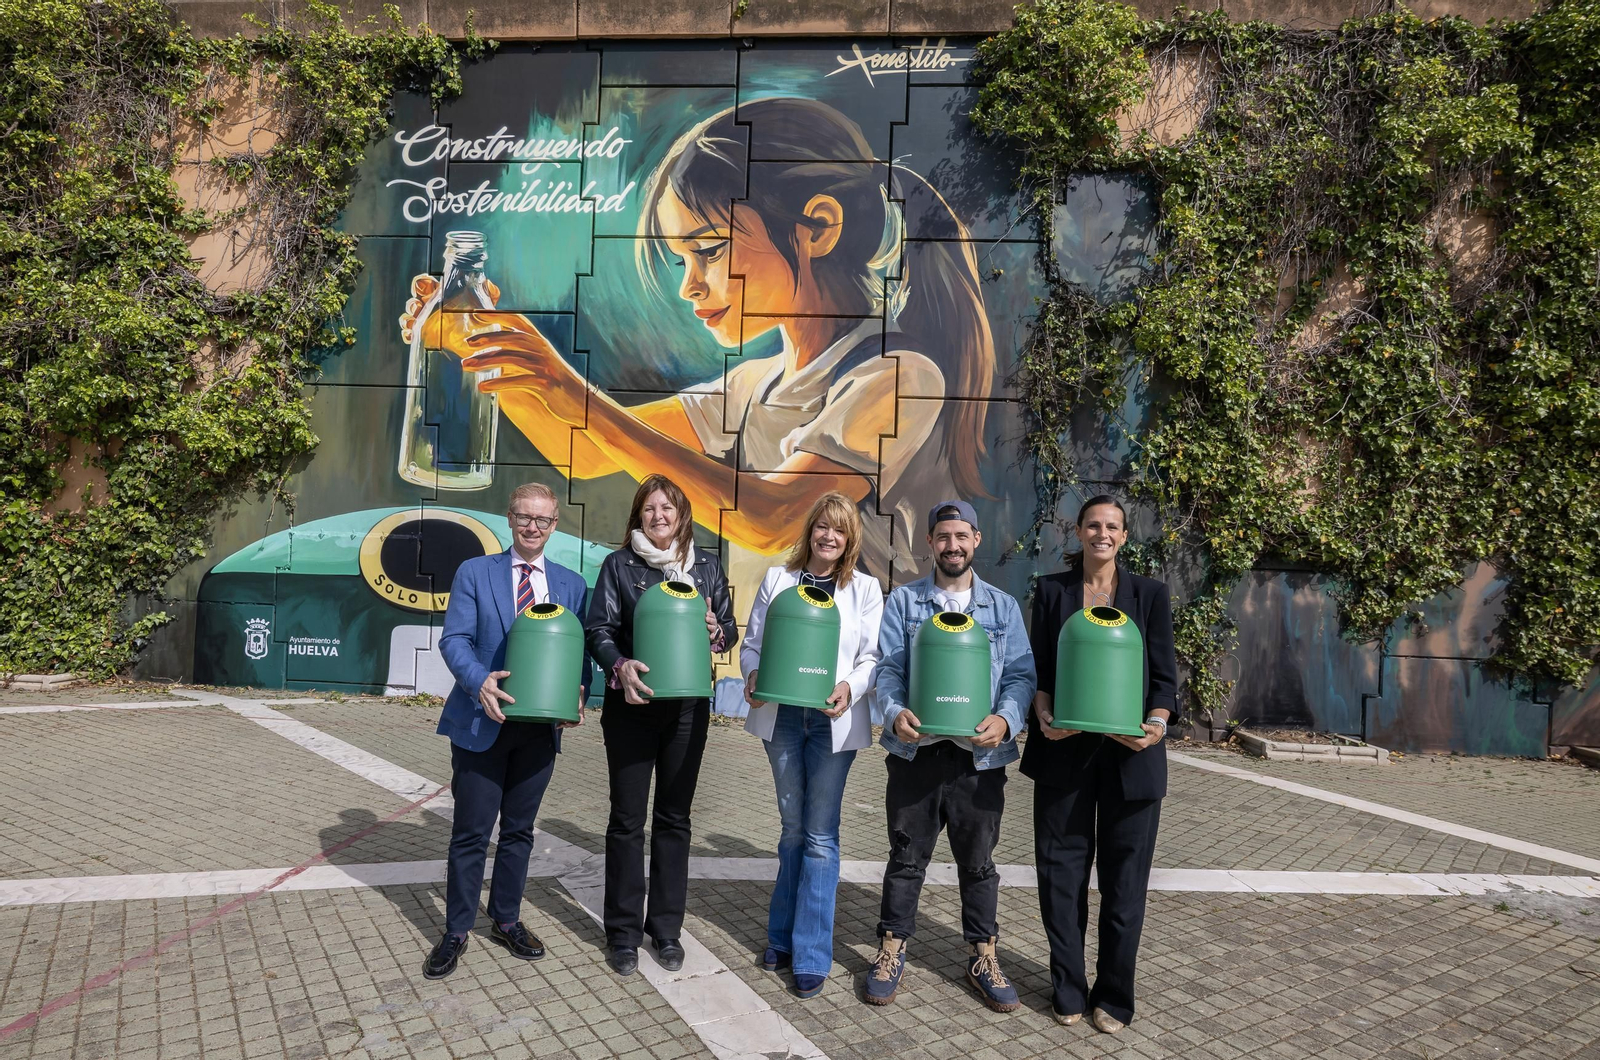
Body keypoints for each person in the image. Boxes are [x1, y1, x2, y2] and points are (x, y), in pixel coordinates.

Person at [400, 96, 996, 603]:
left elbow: (774, 518)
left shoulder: (900, 374)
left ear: (818, 228)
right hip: (772, 655)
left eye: (708, 251)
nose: (688, 285)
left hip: (859, 660)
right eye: (682, 259)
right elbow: (581, 449)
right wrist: (479, 342)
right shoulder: (752, 383)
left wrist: (574, 390)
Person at [865, 500, 1036, 1013]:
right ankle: (891, 947)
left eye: (962, 536)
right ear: (931, 543)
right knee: (905, 856)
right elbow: (889, 670)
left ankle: (983, 954)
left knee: (979, 863)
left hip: (979, 760)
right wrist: (894, 711)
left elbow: (1021, 676)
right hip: (917, 753)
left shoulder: (1002, 608)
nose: (953, 545)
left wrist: (1005, 719)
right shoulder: (904, 603)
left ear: (976, 540)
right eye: (943, 537)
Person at [1024, 494, 1177, 1034]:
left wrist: (1154, 728)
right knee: (1061, 881)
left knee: (1124, 887)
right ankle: (1067, 987)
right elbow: (1038, 672)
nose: (1102, 534)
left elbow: (1164, 681)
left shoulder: (1150, 596)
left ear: (1124, 537)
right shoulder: (1052, 592)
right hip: (1063, 755)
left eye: (1112, 526)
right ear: (1079, 532)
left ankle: (1114, 994)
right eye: (1093, 525)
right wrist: (1043, 714)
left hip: (1131, 763)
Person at [426, 483, 591, 980]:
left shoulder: (571, 585)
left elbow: (580, 656)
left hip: (539, 732)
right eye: (524, 517)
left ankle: (506, 918)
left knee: (519, 832)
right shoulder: (476, 573)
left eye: (543, 520)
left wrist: (579, 693)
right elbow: (454, 639)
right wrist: (479, 682)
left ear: (555, 524)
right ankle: (456, 930)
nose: (533, 527)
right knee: (471, 833)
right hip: (484, 721)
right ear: (510, 517)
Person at [585, 474, 738, 977]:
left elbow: (728, 632)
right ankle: (623, 933)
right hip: (632, 706)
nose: (658, 517)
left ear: (681, 515)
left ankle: (666, 930)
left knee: (674, 820)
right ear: (639, 516)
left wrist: (717, 632)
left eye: (667, 508)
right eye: (649, 509)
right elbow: (598, 628)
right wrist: (619, 664)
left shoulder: (708, 567)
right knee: (627, 821)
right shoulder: (619, 566)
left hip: (688, 710)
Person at [740, 491, 884, 998]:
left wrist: (851, 688)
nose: (829, 536)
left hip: (831, 722)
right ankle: (779, 936)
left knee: (820, 835)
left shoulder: (864, 588)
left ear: (850, 540)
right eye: (822, 526)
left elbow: (871, 656)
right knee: (791, 831)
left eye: (839, 530)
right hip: (781, 716)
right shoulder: (779, 579)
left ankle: (810, 953)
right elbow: (752, 642)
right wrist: (752, 673)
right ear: (810, 531)